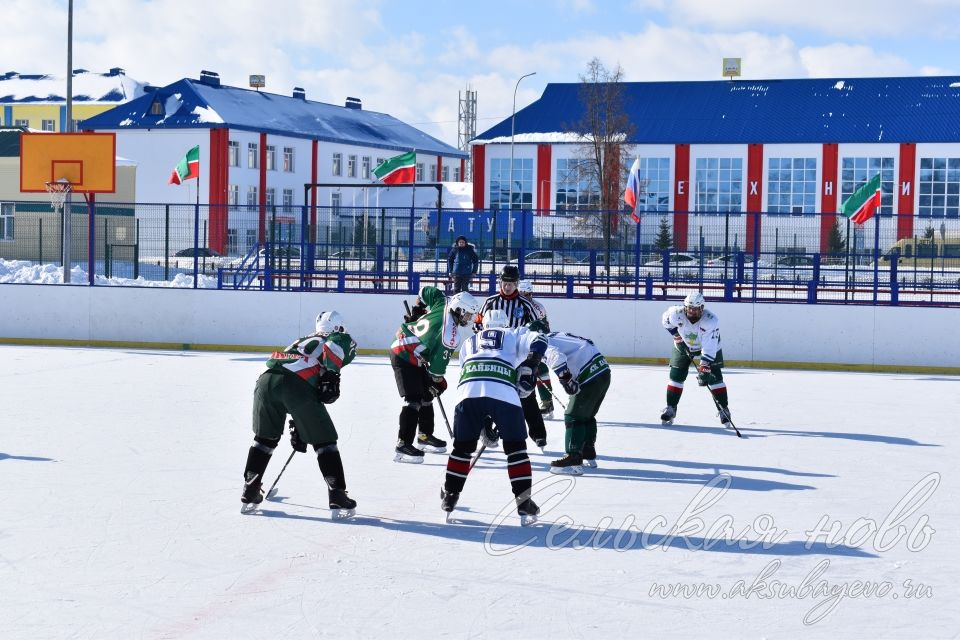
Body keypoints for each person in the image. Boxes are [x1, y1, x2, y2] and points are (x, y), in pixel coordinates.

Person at [241, 311, 359, 518]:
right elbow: (335, 345)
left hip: (265, 381)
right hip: (295, 385)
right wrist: (332, 374)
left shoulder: (301, 339)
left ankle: (250, 488)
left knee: (264, 440)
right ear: (338, 327)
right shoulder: (335, 337)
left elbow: (292, 373)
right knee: (325, 442)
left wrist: (300, 422)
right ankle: (338, 494)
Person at [441, 309, 546, 525]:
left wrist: (483, 423)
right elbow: (540, 339)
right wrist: (530, 365)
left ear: (483, 324)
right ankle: (523, 501)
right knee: (516, 449)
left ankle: (450, 495)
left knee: (462, 448)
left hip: (468, 393)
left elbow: (476, 377)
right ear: (505, 324)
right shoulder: (513, 334)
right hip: (503, 394)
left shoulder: (469, 341)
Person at [390, 285, 481, 462]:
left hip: (413, 351)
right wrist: (438, 382)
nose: (469, 319)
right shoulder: (450, 335)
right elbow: (436, 371)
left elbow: (424, 291)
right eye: (468, 315)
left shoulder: (444, 302)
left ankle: (424, 436)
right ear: (460, 310)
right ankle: (403, 444)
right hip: (403, 352)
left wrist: (417, 310)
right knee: (414, 399)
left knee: (426, 394)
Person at [478, 266, 547, 448]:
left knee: (526, 394)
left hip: (518, 354)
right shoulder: (491, 302)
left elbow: (535, 327)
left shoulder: (525, 304)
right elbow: (478, 326)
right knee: (492, 391)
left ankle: (538, 434)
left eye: (511, 283)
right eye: (504, 283)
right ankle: (487, 428)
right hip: (494, 355)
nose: (507, 287)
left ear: (516, 284)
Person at [535, 324, 611, 475]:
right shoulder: (558, 335)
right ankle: (588, 451)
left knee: (573, 416)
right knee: (587, 415)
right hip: (603, 372)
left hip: (590, 377)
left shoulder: (543, 342)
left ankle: (573, 456)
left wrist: (567, 380)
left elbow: (556, 357)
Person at [660, 292, 732, 429]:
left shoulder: (711, 320)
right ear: (685, 307)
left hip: (708, 346)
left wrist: (704, 366)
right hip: (683, 344)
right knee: (676, 375)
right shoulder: (675, 314)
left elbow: (709, 346)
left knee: (714, 377)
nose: (693, 311)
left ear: (702, 308)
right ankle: (671, 408)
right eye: (690, 308)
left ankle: (724, 409)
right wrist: (676, 336)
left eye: (696, 308)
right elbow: (665, 321)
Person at [518, 279, 555, 419]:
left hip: (534, 342)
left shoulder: (538, 308)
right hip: (518, 343)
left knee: (542, 370)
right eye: (521, 293)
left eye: (526, 294)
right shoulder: (513, 305)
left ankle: (547, 403)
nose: (523, 296)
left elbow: (545, 328)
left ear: (531, 293)